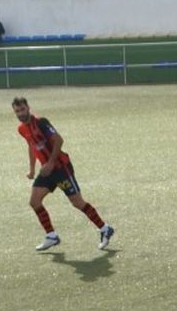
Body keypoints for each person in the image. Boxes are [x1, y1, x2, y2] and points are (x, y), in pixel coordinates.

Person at [12, 97, 114, 252]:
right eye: (17, 111)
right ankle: (51, 236)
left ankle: (105, 229)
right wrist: (32, 169)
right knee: (34, 201)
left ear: (28, 108)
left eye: (22, 109)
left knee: (77, 203)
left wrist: (51, 163)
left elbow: (59, 140)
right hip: (47, 172)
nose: (20, 113)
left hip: (61, 169)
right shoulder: (22, 129)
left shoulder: (41, 122)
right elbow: (31, 146)